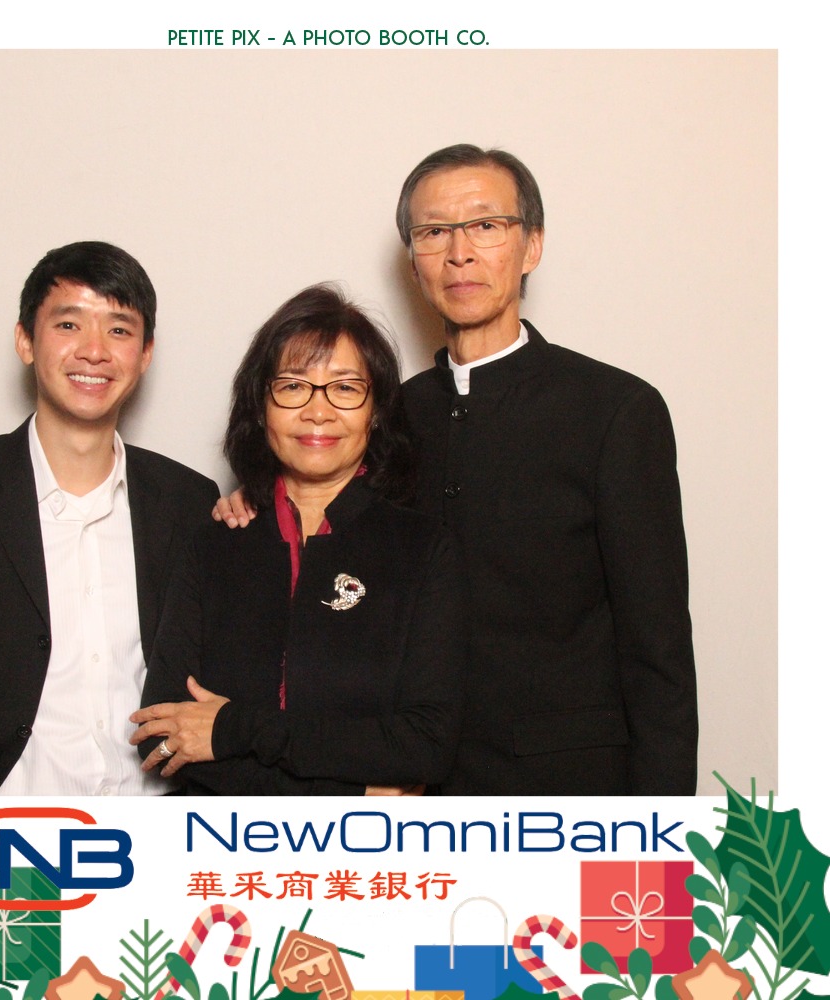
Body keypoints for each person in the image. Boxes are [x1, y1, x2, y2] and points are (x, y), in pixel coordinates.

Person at [216, 145, 698, 796]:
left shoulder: (613, 411)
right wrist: (250, 497)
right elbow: (324, 519)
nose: (459, 253)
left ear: (531, 246)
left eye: (485, 226)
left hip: (569, 787)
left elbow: (658, 650)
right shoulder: (390, 413)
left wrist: (662, 827)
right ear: (413, 262)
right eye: (434, 232)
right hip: (405, 786)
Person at [0, 241, 219, 795]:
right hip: (0, 827)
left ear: (145, 353)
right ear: (25, 340)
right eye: (68, 325)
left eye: (119, 329)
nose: (94, 351)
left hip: (157, 822)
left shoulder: (189, 501)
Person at [129, 284, 467, 795]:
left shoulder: (422, 549)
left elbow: (425, 746)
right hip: (221, 840)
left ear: (376, 410)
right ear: (260, 405)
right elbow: (159, 735)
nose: (317, 411)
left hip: (365, 846)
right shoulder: (213, 546)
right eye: (292, 386)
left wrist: (235, 728)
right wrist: (348, 794)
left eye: (345, 388)